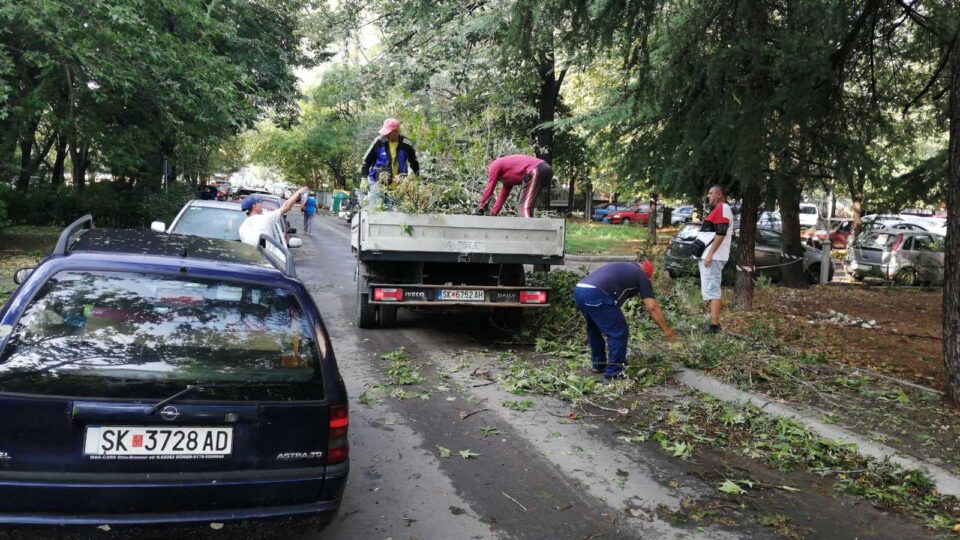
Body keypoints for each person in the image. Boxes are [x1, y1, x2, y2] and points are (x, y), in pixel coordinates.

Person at [573, 260, 677, 381]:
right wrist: (667, 330)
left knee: (594, 328)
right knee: (618, 332)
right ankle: (614, 373)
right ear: (647, 273)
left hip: (580, 290)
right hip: (596, 293)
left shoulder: (623, 267)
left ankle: (599, 364)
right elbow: (652, 307)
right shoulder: (641, 276)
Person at [696, 185, 734, 333]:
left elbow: (721, 232)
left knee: (713, 290)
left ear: (719, 194)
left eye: (711, 193)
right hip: (711, 256)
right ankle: (713, 322)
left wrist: (711, 253)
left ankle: (714, 326)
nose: (709, 196)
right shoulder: (719, 209)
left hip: (714, 257)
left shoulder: (723, 208)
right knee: (710, 289)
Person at [477, 154, 553, 218]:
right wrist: (493, 214)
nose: (488, 174)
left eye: (487, 171)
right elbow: (502, 196)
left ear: (488, 166)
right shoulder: (507, 178)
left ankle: (528, 233)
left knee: (523, 207)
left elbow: (490, 188)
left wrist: (481, 206)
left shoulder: (494, 164)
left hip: (536, 169)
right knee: (528, 206)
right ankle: (531, 228)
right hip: (546, 169)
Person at [239, 187, 308, 246]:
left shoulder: (242, 228)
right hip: (270, 259)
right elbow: (286, 207)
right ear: (254, 206)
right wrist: (298, 193)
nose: (262, 205)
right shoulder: (264, 219)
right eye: (260, 202)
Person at [361, 118, 420, 187]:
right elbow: (367, 160)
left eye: (388, 133)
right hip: (376, 183)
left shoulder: (407, 144)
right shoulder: (379, 141)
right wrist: (364, 179)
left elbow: (414, 162)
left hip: (399, 186)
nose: (385, 135)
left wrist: (417, 176)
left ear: (396, 131)